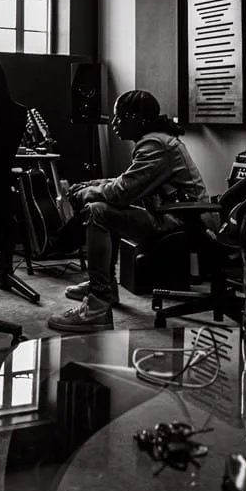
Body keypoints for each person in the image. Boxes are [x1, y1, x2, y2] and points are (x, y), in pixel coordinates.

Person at [47, 90, 209, 334]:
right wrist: (91, 184)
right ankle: (106, 287)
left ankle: (98, 306)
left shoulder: (155, 145)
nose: (114, 122)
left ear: (137, 119)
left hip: (184, 222)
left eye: (119, 117)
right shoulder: (157, 141)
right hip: (175, 217)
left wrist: (86, 193)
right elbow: (128, 181)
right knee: (104, 209)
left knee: (99, 211)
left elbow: (122, 192)